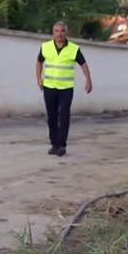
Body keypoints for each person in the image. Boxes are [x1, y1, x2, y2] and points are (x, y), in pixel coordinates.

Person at [36, 21, 93, 156]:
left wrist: (88, 79)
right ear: (53, 33)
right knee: (52, 117)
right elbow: (39, 62)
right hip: (49, 87)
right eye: (56, 31)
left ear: (66, 33)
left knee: (64, 116)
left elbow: (83, 64)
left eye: (62, 31)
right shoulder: (45, 47)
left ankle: (62, 145)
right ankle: (54, 144)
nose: (59, 34)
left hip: (66, 89)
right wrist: (39, 78)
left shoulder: (73, 49)